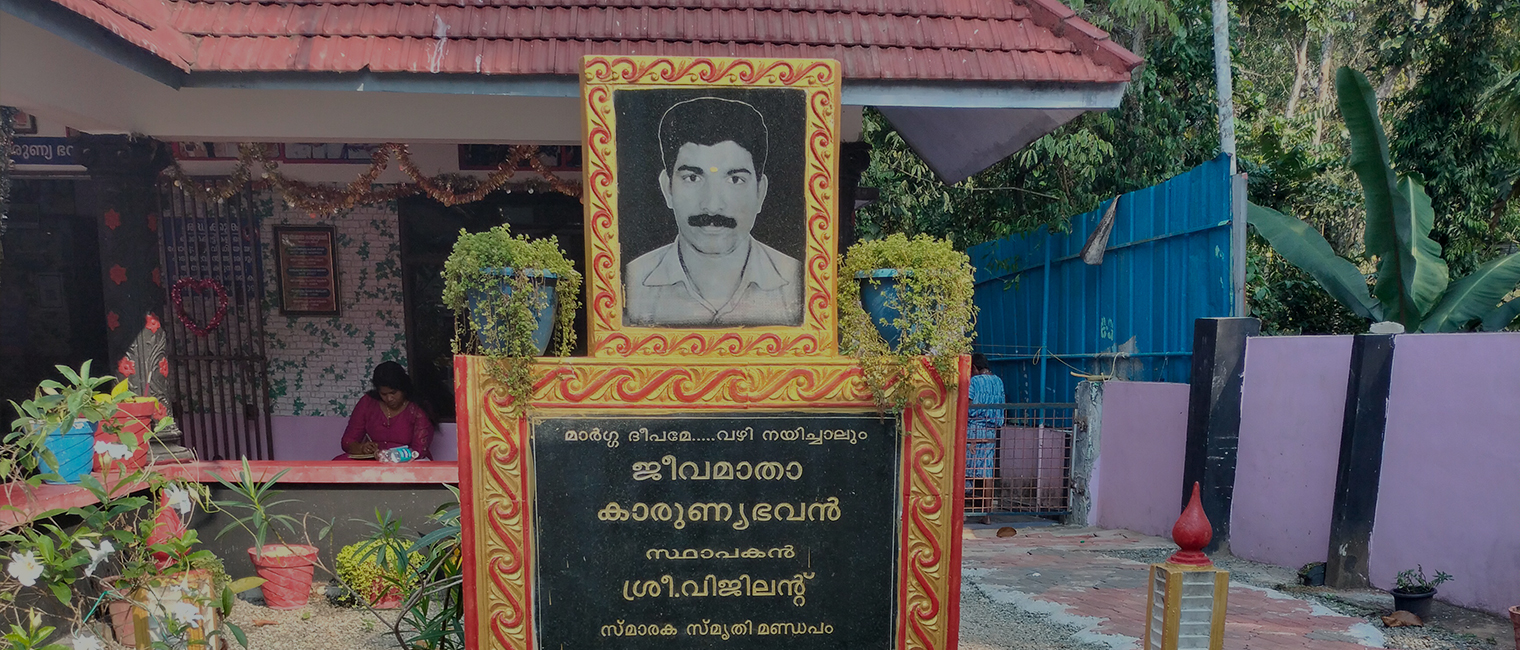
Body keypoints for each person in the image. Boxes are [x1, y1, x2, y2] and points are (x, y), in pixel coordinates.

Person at [624, 96, 803, 328]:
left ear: (761, 192)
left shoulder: (796, 281)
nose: (712, 205)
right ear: (667, 188)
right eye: (692, 178)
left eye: (735, 179)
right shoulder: (632, 279)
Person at [337, 362, 434, 460]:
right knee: (338, 463)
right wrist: (361, 448)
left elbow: (419, 451)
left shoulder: (418, 408)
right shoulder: (367, 402)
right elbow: (348, 441)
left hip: (407, 460)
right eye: (383, 394)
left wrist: (391, 456)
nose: (389, 398)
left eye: (393, 393)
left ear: (403, 388)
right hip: (374, 459)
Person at [966, 353, 1005, 515]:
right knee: (987, 472)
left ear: (974, 367)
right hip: (991, 432)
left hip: (973, 430)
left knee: (967, 471)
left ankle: (965, 514)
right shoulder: (998, 381)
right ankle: (987, 514)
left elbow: (967, 405)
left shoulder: (974, 382)